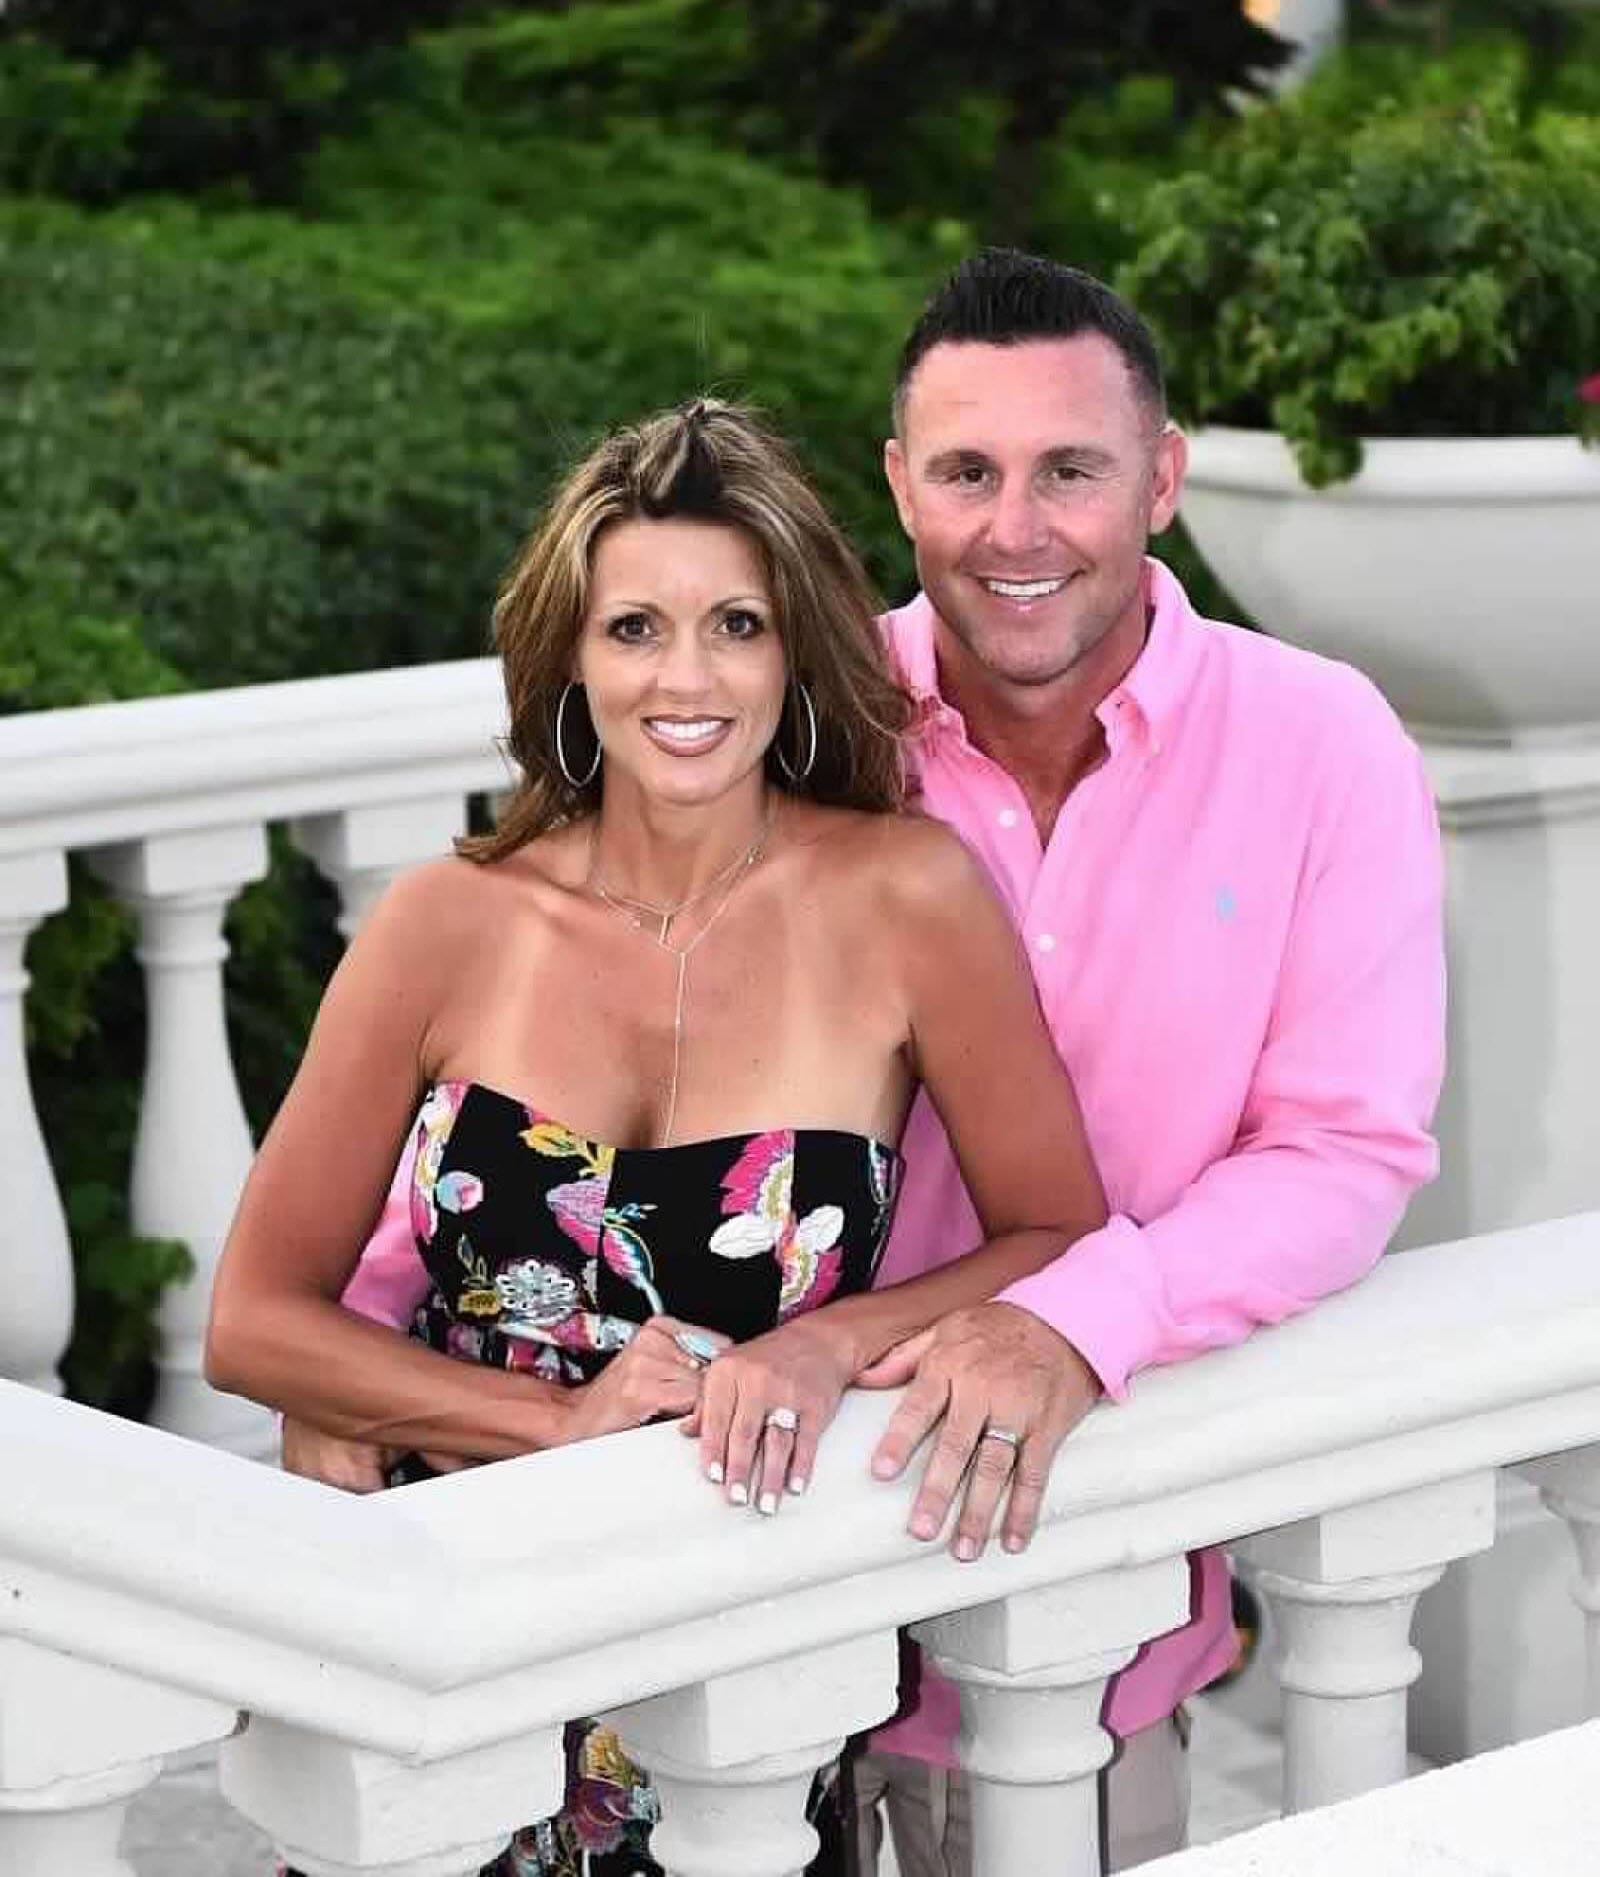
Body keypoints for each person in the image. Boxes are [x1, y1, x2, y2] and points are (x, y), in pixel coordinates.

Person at [280, 249, 1447, 1872]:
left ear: (1163, 479)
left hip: (1053, 1589)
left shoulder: (1319, 745)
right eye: (967, 471)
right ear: (900, 483)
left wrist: (1077, 1320)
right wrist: (355, 1360)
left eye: (1071, 471)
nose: (1015, 528)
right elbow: (534, 1080)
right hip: (722, 1583)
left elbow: (1345, 1152)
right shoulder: (797, 714)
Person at [204, 396, 1109, 1877]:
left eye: (736, 625)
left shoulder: (908, 900)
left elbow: (1056, 1228)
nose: (686, 679)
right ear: (571, 656)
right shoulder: (449, 919)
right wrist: (552, 1425)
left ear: (795, 650)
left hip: (729, 1665)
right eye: (635, 628)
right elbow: (253, 1319)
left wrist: (828, 1346)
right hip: (442, 1646)